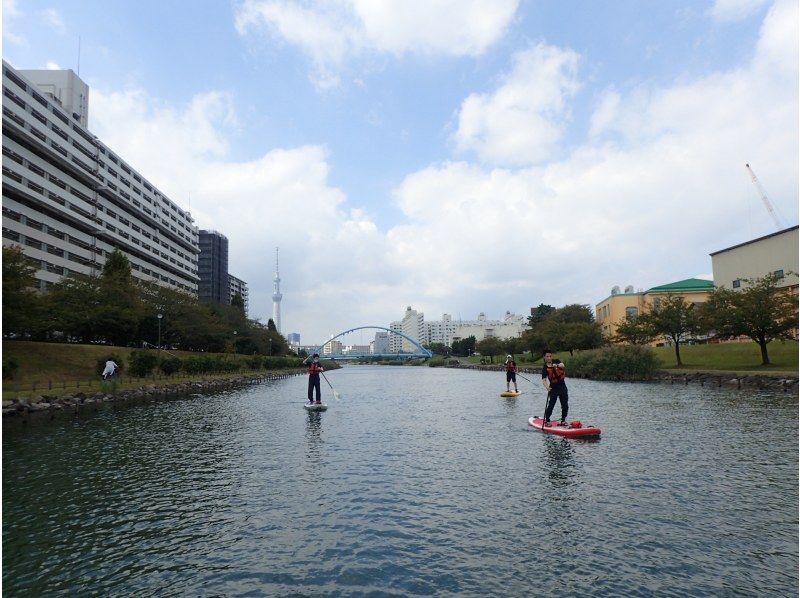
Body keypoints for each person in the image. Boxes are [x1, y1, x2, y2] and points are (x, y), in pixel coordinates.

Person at [541, 348, 568, 426]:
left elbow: (563, 365)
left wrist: (557, 365)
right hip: (553, 388)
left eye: (550, 356)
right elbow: (544, 380)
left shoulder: (556, 361)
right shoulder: (545, 368)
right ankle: (547, 420)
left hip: (562, 386)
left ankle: (563, 420)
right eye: (547, 356)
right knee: (551, 405)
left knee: (565, 405)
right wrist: (547, 387)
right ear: (544, 357)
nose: (549, 358)